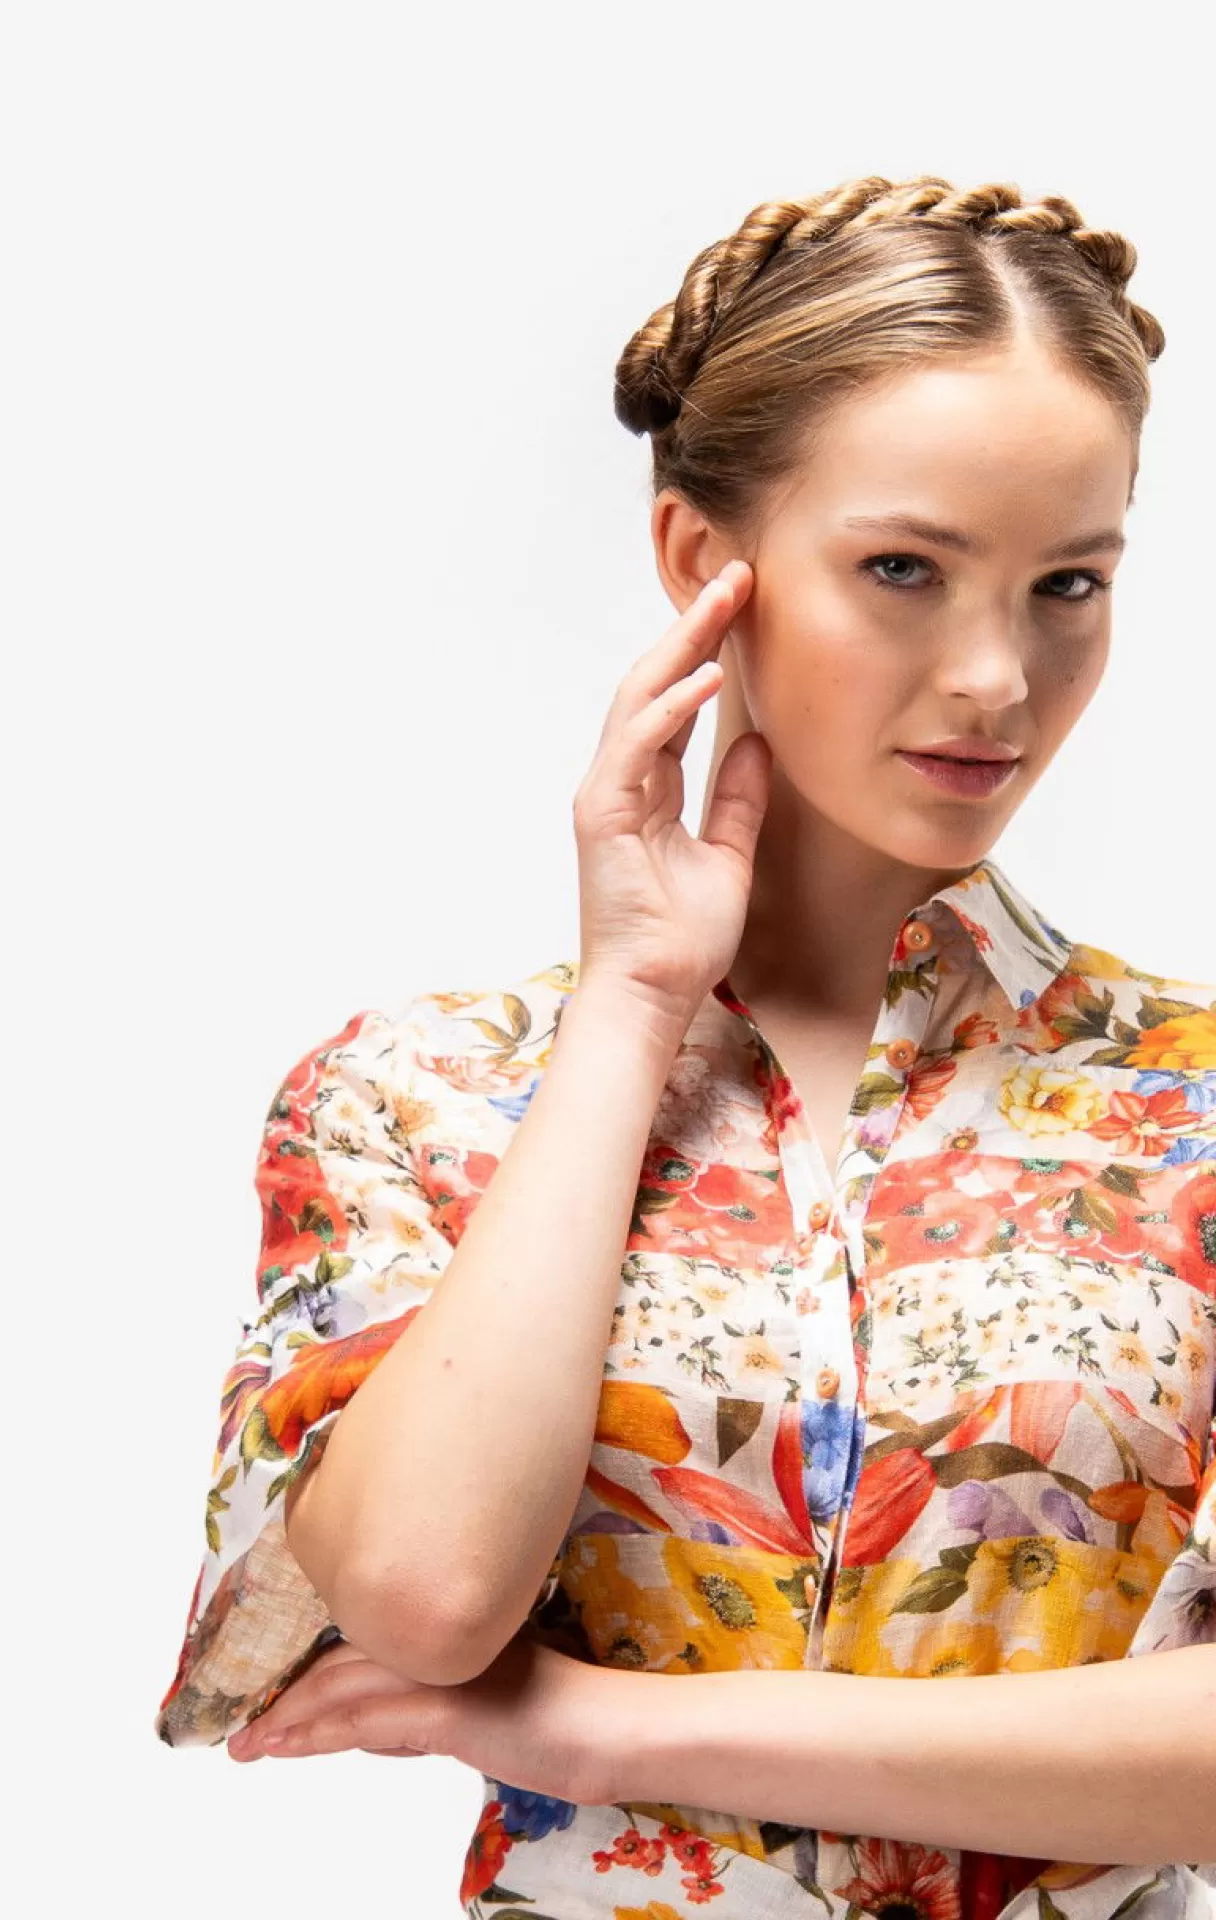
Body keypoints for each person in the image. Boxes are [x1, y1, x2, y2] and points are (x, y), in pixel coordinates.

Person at [154, 175, 1216, 1920]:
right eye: (904, 569)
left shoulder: (1186, 1103)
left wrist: (604, 1732)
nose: (997, 677)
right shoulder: (424, 1098)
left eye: (1066, 585)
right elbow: (425, 1595)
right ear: (701, 562)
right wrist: (635, 1004)